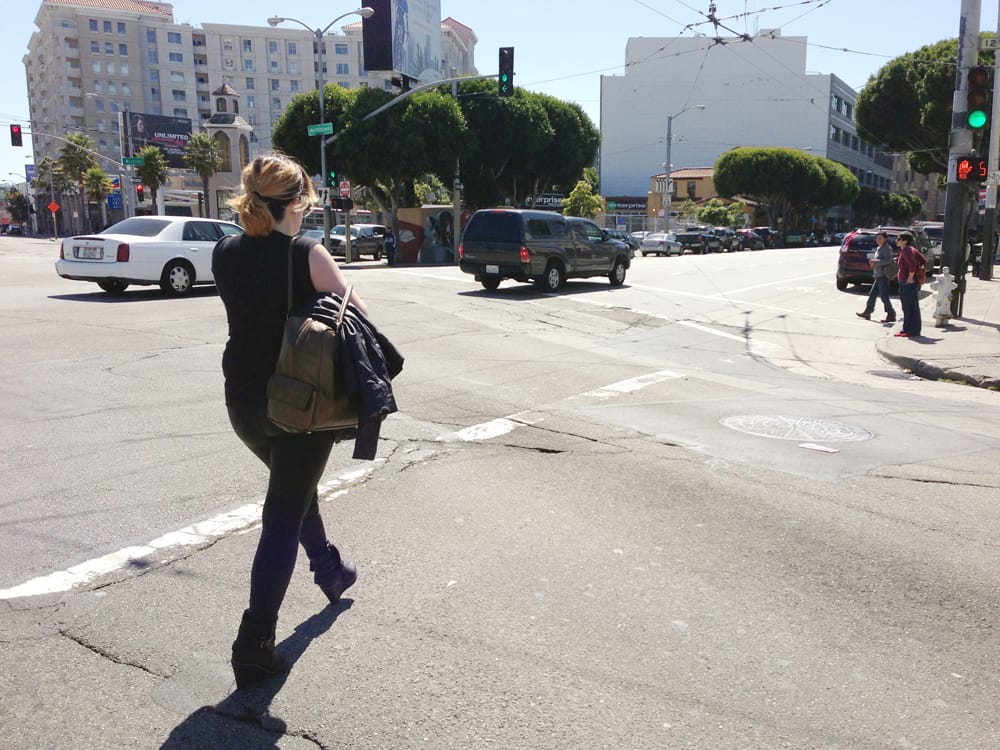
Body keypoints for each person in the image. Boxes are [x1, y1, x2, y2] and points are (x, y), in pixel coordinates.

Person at [212, 152, 368, 688]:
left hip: (242, 405)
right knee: (282, 515)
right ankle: (254, 641)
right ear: (299, 199)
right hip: (298, 405)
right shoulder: (308, 252)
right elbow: (358, 316)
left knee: (295, 491)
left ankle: (328, 568)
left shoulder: (224, 251)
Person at [856, 231, 897, 323]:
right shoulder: (879, 247)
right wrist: (874, 261)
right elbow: (880, 259)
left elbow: (887, 260)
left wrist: (876, 262)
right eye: (877, 238)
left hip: (883, 275)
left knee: (884, 296)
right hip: (878, 275)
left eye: (880, 238)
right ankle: (868, 312)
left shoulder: (886, 248)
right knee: (872, 294)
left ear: (885, 239)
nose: (878, 240)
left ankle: (891, 314)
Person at [895, 231, 925, 338]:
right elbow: (923, 261)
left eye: (899, 239)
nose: (896, 241)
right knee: (912, 306)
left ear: (905, 241)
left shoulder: (906, 250)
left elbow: (912, 265)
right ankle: (913, 329)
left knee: (908, 306)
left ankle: (908, 329)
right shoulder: (912, 249)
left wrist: (910, 277)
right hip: (911, 282)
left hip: (907, 282)